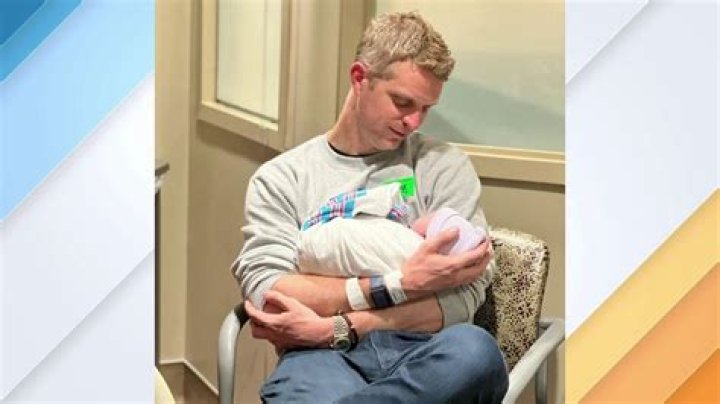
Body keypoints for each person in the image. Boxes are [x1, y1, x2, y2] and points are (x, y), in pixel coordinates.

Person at [232, 11, 509, 403]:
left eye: (426, 108)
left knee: (476, 354)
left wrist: (338, 326)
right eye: (403, 102)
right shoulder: (283, 178)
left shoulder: (443, 167)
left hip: (425, 351)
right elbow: (271, 291)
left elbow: (463, 296)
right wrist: (403, 284)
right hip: (320, 358)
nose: (414, 121)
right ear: (360, 78)